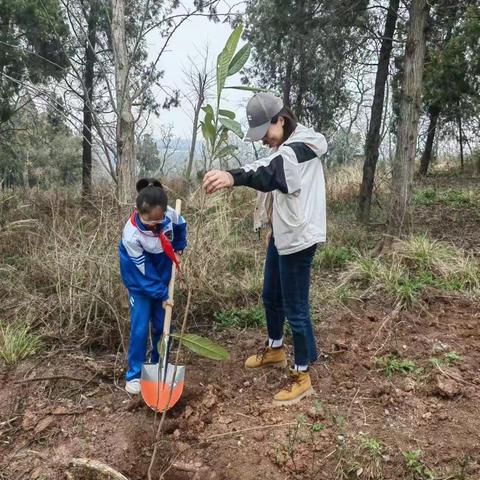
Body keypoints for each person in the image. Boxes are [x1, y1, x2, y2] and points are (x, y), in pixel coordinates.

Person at [203, 93, 327, 406]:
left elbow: (267, 171)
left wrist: (232, 176)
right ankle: (275, 348)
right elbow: (271, 167)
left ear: (280, 121)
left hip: (299, 238)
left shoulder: (300, 148)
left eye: (266, 133)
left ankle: (302, 375)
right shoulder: (286, 148)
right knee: (271, 294)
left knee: (295, 308)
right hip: (282, 234)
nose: (263, 141)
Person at [119, 178, 187, 395]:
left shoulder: (169, 214)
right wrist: (162, 293)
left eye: (160, 221)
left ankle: (160, 365)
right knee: (139, 328)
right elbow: (144, 271)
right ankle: (134, 375)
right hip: (140, 282)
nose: (157, 226)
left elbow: (180, 226)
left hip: (162, 276)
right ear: (140, 212)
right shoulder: (131, 234)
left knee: (163, 326)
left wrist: (179, 248)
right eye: (151, 223)